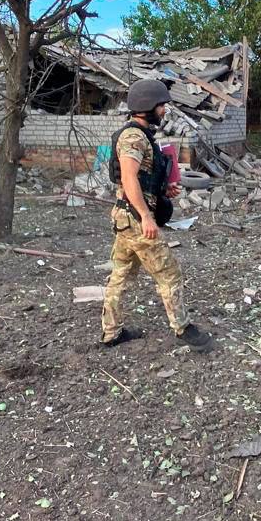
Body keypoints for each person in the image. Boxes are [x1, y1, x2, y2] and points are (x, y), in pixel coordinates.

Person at [100, 79, 210, 351]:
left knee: (120, 275)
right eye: (161, 105)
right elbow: (128, 178)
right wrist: (146, 217)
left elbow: (143, 177)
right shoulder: (134, 137)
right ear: (148, 106)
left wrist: (163, 189)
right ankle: (183, 328)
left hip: (126, 219)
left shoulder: (141, 135)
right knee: (169, 274)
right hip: (136, 221)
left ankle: (111, 333)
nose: (164, 111)